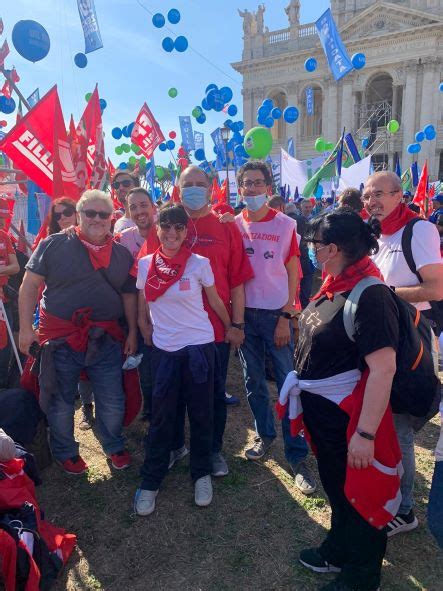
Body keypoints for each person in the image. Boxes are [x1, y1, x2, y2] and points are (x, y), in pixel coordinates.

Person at [290, 208, 401, 591]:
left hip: (350, 418)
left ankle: (362, 575)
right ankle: (339, 548)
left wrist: (365, 435)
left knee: (359, 494)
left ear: (332, 248)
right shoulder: (336, 281)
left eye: (314, 245)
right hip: (326, 414)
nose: (311, 251)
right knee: (338, 487)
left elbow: (383, 368)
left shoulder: (370, 294)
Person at [138, 166, 253, 477]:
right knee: (170, 396)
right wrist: (145, 325)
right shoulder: (164, 226)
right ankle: (175, 445)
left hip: (213, 332)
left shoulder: (226, 225)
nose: (193, 188)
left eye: (199, 184)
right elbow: (145, 274)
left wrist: (237, 325)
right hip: (170, 334)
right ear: (178, 187)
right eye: (187, 184)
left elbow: (238, 280)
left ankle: (212, 450)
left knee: (213, 396)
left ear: (210, 187)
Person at [19, 190, 137, 475]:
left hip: (106, 339)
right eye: (90, 213)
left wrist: (133, 330)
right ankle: (66, 452)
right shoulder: (53, 244)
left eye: (103, 214)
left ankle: (114, 445)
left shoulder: (121, 253)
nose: (97, 219)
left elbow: (129, 296)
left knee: (112, 397)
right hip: (60, 339)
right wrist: (25, 329)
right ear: (79, 215)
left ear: (112, 218)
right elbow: (29, 285)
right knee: (60, 401)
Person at [135, 204, 232, 514]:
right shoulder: (146, 263)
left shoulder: (199, 263)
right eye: (167, 226)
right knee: (162, 416)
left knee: (201, 413)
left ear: (186, 231)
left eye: (179, 227)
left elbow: (215, 300)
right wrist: (143, 326)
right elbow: (142, 300)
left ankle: (201, 473)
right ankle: (151, 479)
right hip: (164, 350)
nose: (172, 233)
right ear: (158, 229)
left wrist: (231, 328)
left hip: (199, 347)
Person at [363, 171, 443, 536]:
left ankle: (406, 511)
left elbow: (436, 288)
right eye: (367, 196)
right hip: (387, 335)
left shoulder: (419, 230)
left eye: (378, 194)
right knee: (386, 421)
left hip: (413, 338)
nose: (371, 202)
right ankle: (392, 496)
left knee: (399, 425)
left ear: (399, 195)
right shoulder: (378, 234)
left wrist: (388, 293)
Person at [235, 161, 316, 494]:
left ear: (269, 187)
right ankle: (264, 435)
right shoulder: (233, 225)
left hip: (275, 316)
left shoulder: (285, 224)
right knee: (253, 381)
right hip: (245, 315)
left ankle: (297, 455)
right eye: (246, 183)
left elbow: (294, 272)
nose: (251, 189)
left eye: (257, 183)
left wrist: (287, 315)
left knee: (287, 385)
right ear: (239, 188)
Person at [45, 197, 95, 430]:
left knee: (95, 365)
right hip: (62, 321)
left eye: (67, 211)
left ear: (77, 213)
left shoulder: (94, 238)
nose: (63, 217)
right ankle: (85, 408)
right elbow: (37, 284)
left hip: (94, 317)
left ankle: (104, 410)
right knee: (71, 371)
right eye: (57, 214)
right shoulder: (47, 243)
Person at [117, 188, 157, 421]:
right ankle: (151, 410)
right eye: (133, 207)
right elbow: (128, 289)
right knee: (146, 368)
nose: (140, 211)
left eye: (144, 205)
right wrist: (135, 327)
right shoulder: (123, 239)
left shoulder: (169, 232)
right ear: (127, 212)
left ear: (153, 207)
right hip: (139, 317)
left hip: (169, 317)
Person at [0, 198, 20, 388]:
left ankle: (4, 392)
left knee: (5, 350)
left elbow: (15, 267)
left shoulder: (4, 236)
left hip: (3, 301)